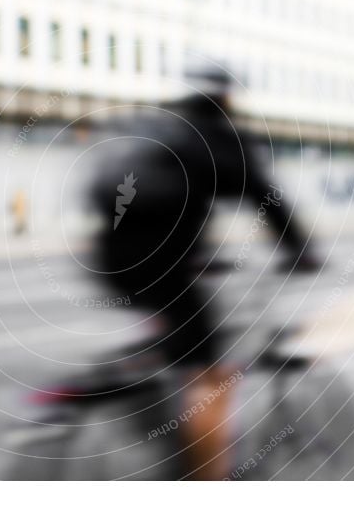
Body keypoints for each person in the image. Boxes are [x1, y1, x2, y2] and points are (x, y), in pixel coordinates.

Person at [88, 61, 318, 479]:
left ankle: (155, 412)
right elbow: (267, 197)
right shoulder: (219, 136)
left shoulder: (161, 126)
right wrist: (301, 251)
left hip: (108, 252)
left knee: (175, 338)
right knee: (209, 374)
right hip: (162, 260)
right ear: (226, 98)